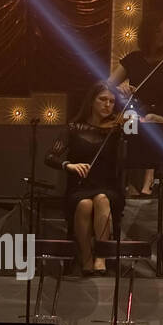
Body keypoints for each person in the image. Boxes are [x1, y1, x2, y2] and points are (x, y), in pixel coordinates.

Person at [44, 82, 124, 276]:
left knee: (102, 199)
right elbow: (50, 157)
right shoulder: (74, 128)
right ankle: (86, 259)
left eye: (112, 102)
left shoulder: (117, 129)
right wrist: (68, 165)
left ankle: (101, 258)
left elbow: (141, 143)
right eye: (102, 100)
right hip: (79, 188)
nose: (108, 105)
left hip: (108, 187)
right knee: (84, 204)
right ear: (91, 101)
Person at [108, 11, 163, 196]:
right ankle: (130, 182)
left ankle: (149, 181)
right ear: (148, 33)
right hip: (135, 110)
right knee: (133, 121)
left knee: (151, 120)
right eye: (158, 31)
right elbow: (106, 86)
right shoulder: (133, 59)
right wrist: (121, 87)